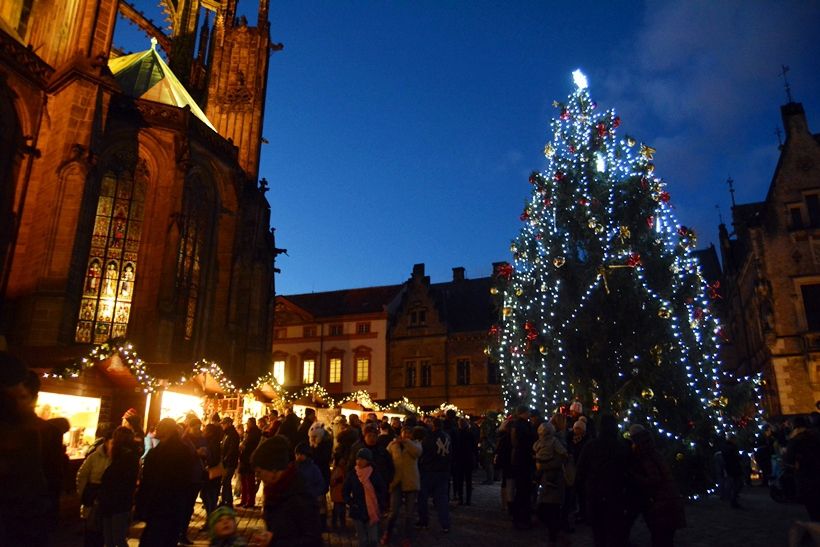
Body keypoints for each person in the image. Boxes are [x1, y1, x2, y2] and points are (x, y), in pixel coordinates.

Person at [251, 435, 322, 547]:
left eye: (259, 472)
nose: (257, 477)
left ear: (274, 470)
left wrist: (274, 542)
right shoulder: (275, 491)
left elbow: (312, 540)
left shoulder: (299, 495)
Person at [136, 418, 196, 547]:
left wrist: (142, 504)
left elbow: (147, 481)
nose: (156, 430)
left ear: (165, 430)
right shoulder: (183, 450)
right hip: (174, 505)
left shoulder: (157, 453)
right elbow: (187, 479)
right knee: (168, 539)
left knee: (153, 538)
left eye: (159, 427)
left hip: (158, 504)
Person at [576, 413, 632, 547]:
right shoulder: (622, 447)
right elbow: (629, 472)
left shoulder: (591, 446)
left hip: (596, 495)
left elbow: (580, 472)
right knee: (614, 534)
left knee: (599, 534)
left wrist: (583, 493)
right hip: (615, 496)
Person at [627, 425, 685, 547]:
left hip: (661, 502)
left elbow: (655, 479)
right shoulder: (654, 451)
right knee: (665, 537)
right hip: (668, 500)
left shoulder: (645, 454)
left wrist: (634, 477)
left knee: (661, 538)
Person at [98, 426, 140, 547]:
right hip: (116, 501)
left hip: (116, 502)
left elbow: (119, 480)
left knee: (116, 538)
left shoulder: (126, 457)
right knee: (112, 538)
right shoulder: (126, 456)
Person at [385, 425, 423, 546]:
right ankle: (387, 533)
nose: (406, 435)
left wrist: (406, 441)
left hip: (411, 482)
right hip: (396, 482)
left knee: (409, 514)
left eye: (409, 433)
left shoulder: (416, 444)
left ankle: (407, 537)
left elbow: (417, 453)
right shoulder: (393, 445)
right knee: (393, 512)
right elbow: (386, 458)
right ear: (400, 433)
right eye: (404, 433)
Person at [533, 421, 568, 546]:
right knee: (546, 506)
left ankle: (554, 533)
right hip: (545, 478)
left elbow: (562, 457)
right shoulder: (542, 442)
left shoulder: (555, 442)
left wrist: (543, 465)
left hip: (553, 478)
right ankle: (554, 532)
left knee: (552, 508)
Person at [344, 448, 388, 547]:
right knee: (362, 540)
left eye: (362, 459)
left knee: (373, 540)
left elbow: (382, 489)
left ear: (368, 461)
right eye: (357, 459)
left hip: (372, 509)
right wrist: (350, 502)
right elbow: (345, 490)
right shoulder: (353, 474)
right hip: (357, 508)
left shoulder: (374, 473)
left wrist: (379, 501)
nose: (359, 461)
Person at [77, 428, 113, 547]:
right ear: (106, 442)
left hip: (107, 500)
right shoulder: (95, 456)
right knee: (91, 530)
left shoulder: (118, 459)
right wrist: (83, 494)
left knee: (103, 531)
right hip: (93, 498)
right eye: (112, 442)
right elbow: (82, 475)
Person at [417, 418, 452, 534]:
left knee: (423, 498)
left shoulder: (429, 438)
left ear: (433, 425)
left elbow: (424, 453)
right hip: (443, 470)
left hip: (429, 471)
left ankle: (424, 521)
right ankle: (445, 524)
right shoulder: (447, 436)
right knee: (442, 499)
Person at [783, 416, 820, 521]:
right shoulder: (816, 435)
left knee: (813, 507)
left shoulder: (796, 440)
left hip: (806, 475)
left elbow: (788, 459)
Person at [510, 405, 535, 529]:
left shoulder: (516, 424)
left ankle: (518, 517)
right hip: (524, 460)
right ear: (524, 413)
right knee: (524, 491)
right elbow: (526, 441)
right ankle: (522, 518)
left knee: (520, 491)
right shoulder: (524, 425)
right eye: (528, 412)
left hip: (518, 459)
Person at [207, 505, 271, 546]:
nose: (225, 522)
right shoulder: (214, 544)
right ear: (213, 528)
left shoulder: (239, 543)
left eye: (229, 519)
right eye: (220, 520)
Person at [239, 417, 263, 508]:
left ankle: (250, 501)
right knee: (244, 481)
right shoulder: (249, 432)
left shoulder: (255, 433)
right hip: (244, 458)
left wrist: (244, 447)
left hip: (249, 459)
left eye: (248, 423)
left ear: (252, 423)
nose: (247, 425)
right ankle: (244, 499)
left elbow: (251, 445)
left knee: (249, 481)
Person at [453, 417, 477, 505]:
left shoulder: (457, 434)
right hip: (468, 458)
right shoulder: (471, 433)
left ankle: (461, 498)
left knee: (460, 480)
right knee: (468, 480)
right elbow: (474, 447)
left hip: (459, 459)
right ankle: (468, 499)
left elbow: (455, 447)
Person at [202, 423, 224, 518]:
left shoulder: (212, 443)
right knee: (209, 496)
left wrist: (208, 464)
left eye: (205, 430)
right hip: (213, 474)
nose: (203, 431)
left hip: (211, 474)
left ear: (210, 432)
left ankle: (211, 520)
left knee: (209, 497)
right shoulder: (212, 441)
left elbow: (214, 458)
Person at [220, 417, 241, 507]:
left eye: (224, 424)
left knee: (226, 481)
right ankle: (225, 500)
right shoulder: (227, 434)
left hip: (230, 462)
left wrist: (225, 458)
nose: (222, 425)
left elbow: (232, 450)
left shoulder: (233, 434)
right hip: (226, 462)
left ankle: (228, 501)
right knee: (225, 482)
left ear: (229, 424)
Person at [330, 452, 348, 530]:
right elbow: (332, 482)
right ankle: (335, 524)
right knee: (337, 510)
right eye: (341, 459)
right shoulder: (337, 469)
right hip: (337, 493)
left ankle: (341, 524)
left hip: (341, 493)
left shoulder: (343, 469)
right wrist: (338, 480)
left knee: (342, 510)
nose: (343, 461)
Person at [479, 412, 498, 484]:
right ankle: (491, 478)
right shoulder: (494, 423)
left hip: (487, 445)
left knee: (488, 462)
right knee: (490, 462)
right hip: (491, 444)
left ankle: (490, 479)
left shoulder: (486, 423)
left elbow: (485, 434)